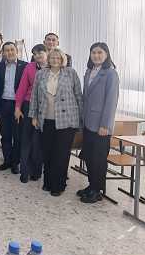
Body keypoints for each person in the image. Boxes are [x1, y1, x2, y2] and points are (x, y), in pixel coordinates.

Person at [29, 48, 83, 196]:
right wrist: (34, 117)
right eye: (52, 57)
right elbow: (34, 96)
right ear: (48, 59)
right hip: (46, 119)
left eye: (58, 58)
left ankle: (58, 185)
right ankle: (47, 182)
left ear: (63, 59)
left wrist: (80, 119)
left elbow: (79, 96)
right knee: (47, 152)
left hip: (67, 121)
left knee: (61, 154)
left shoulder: (71, 73)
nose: (55, 60)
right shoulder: (41, 74)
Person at [78, 43, 119, 203]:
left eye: (100, 53)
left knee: (99, 158)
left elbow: (111, 101)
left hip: (101, 125)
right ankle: (91, 185)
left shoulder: (110, 74)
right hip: (88, 122)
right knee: (88, 155)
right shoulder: (89, 71)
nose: (96, 55)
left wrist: (105, 125)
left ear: (106, 55)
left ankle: (97, 190)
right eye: (93, 52)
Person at [15, 44, 48, 183]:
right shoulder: (29, 67)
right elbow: (22, 88)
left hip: (46, 107)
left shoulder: (53, 67)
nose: (37, 56)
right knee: (27, 138)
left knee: (39, 140)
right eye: (34, 54)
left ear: (46, 52)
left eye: (40, 53)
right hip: (29, 104)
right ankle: (25, 171)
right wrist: (18, 107)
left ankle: (36, 171)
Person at [0, 42, 28, 174]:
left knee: (18, 136)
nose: (10, 52)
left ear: (16, 51)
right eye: (7, 50)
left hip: (18, 106)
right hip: (3, 104)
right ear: (3, 53)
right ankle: (7, 160)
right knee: (5, 134)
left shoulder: (24, 66)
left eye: (12, 50)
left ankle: (15, 162)